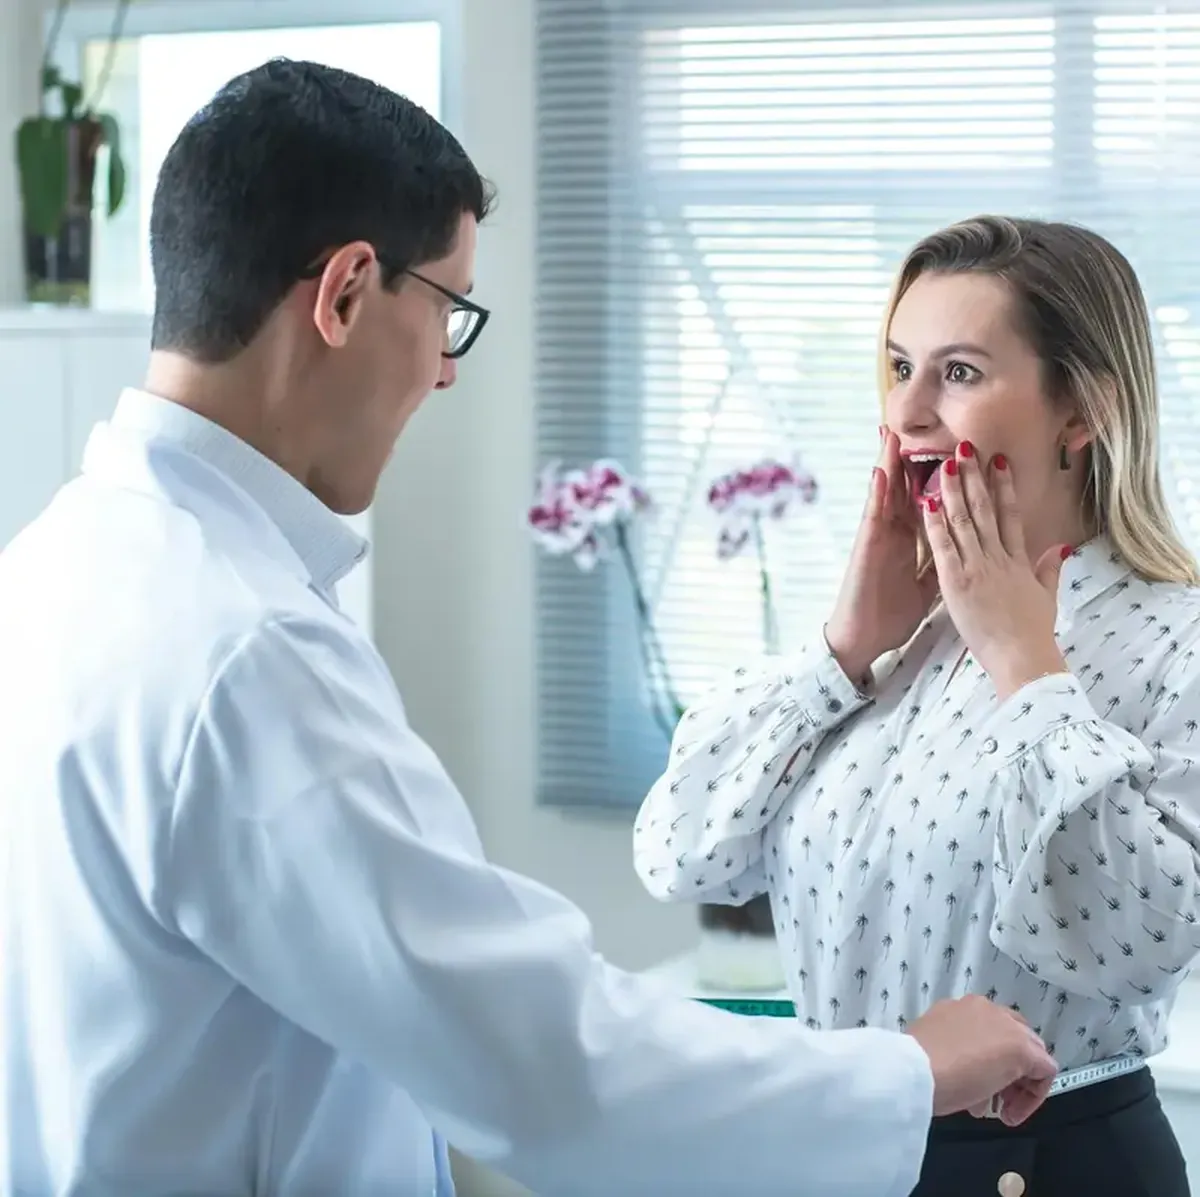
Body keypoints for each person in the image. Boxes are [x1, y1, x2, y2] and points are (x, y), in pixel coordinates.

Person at [0, 63, 1055, 1197]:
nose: (446, 370)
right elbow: (551, 1070)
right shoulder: (246, 652)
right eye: (447, 310)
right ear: (345, 294)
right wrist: (904, 1072)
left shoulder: (53, 566)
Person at [634, 214, 1197, 1196]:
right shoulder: (888, 639)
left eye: (960, 372)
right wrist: (843, 648)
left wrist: (1027, 666)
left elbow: (1138, 941)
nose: (908, 412)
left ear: (1083, 409)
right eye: (900, 368)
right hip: (845, 1153)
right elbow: (678, 857)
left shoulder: (1174, 642)